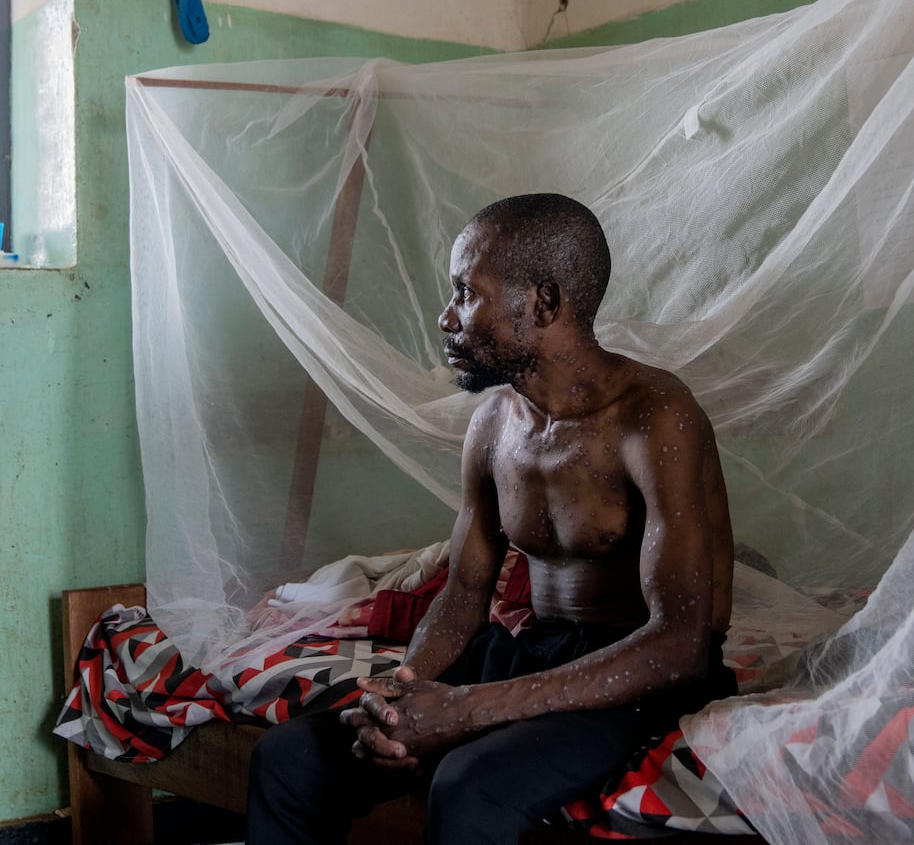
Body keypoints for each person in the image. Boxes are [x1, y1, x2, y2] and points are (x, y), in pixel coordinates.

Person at [246, 193, 735, 845]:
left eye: (465, 293)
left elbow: (680, 642)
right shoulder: (494, 425)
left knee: (468, 782)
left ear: (544, 301)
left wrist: (467, 710)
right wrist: (405, 696)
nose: (446, 317)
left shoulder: (653, 416)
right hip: (532, 650)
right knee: (288, 759)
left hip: (637, 676)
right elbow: (463, 595)